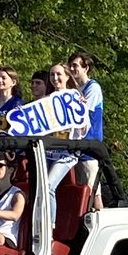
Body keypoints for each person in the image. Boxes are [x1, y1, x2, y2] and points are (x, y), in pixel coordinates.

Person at [44, 62, 85, 223]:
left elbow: (82, 129)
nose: (55, 78)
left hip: (67, 153)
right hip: (48, 151)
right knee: (39, 188)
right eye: (52, 75)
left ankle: (49, 227)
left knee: (48, 186)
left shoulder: (75, 97)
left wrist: (81, 109)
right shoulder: (46, 100)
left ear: (67, 76)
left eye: (59, 74)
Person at [68, 50, 104, 210]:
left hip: (89, 148)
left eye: (76, 65)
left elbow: (81, 115)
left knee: (92, 191)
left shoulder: (93, 88)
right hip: (75, 149)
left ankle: (99, 222)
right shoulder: (74, 90)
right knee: (79, 192)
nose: (72, 69)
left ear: (86, 68)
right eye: (71, 66)